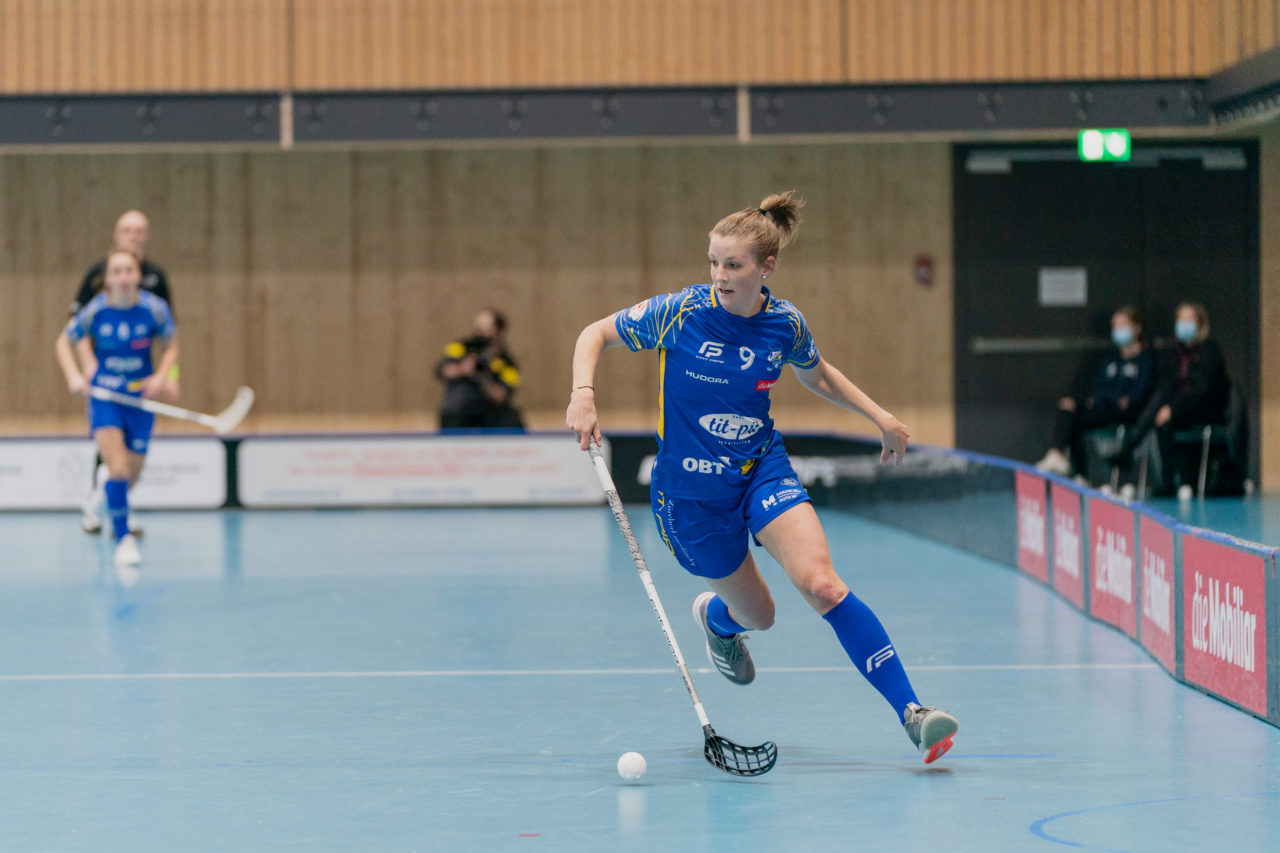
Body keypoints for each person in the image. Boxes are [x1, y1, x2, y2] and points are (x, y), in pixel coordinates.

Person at [565, 191, 959, 764]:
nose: (719, 276)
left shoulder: (784, 323)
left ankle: (913, 713)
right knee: (762, 616)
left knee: (822, 584)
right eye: (713, 262)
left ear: (765, 268)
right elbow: (593, 335)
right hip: (691, 500)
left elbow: (816, 372)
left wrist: (880, 417)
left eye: (733, 265)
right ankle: (718, 621)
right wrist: (583, 394)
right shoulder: (681, 312)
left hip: (759, 468)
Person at [55, 249, 178, 575]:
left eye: (129, 271)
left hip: (140, 401)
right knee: (120, 470)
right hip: (105, 398)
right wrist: (75, 376)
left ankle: (100, 494)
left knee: (130, 478)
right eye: (117, 272)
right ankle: (124, 540)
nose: (123, 278)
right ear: (107, 279)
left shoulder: (155, 309)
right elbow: (63, 341)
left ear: (138, 275)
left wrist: (161, 377)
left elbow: (172, 347)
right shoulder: (96, 311)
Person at [72, 210, 178, 534]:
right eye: (127, 230)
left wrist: (168, 377)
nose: (134, 236)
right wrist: (87, 365)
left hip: (138, 384)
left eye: (140, 231)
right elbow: (75, 326)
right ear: (116, 235)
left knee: (129, 464)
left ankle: (116, 503)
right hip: (106, 383)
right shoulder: (97, 274)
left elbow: (168, 335)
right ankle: (103, 511)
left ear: (146, 237)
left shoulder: (156, 279)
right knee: (111, 454)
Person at [1106, 300, 1230, 496]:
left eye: (1188, 320)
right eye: (1180, 319)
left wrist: (1172, 408)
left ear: (1200, 324)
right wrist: (1168, 407)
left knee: (1164, 412)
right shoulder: (1177, 352)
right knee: (1160, 408)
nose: (1183, 324)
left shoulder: (1209, 350)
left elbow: (1201, 390)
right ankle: (1169, 482)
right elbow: (1167, 385)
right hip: (1178, 409)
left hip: (1206, 409)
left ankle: (1129, 447)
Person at [1035, 306, 1156, 478]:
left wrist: (1115, 401)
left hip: (1128, 413)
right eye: (1115, 327)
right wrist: (1094, 401)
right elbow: (1099, 390)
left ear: (1136, 329)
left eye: (1123, 325)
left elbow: (1138, 396)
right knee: (1069, 411)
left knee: (1079, 419)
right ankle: (1065, 463)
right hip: (1104, 407)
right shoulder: (1111, 360)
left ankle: (1062, 458)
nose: (1118, 331)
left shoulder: (1146, 360)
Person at [436, 308, 524, 429]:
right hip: (460, 408)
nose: (481, 335)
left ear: (498, 330)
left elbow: (502, 395)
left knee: (512, 420)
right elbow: (442, 371)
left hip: (488, 410)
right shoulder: (461, 347)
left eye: (486, 330)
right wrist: (463, 368)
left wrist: (483, 378)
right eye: (478, 329)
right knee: (452, 408)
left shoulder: (507, 363)